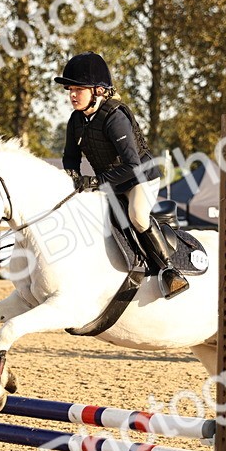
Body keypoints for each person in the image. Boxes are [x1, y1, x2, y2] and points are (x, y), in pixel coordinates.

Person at [55, 52, 187, 298]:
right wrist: (73, 179)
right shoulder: (75, 120)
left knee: (137, 216)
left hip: (140, 178)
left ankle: (169, 271)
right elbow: (70, 158)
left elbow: (132, 165)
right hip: (112, 181)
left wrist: (94, 182)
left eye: (78, 89)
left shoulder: (114, 117)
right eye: (70, 89)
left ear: (98, 91)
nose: (72, 95)